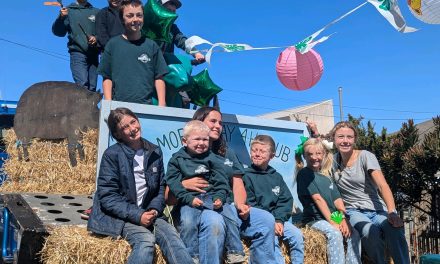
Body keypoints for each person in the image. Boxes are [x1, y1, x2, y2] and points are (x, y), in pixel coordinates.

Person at [168, 106, 278, 264]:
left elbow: (238, 183)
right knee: (214, 220)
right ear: (198, 123)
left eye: (220, 122)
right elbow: (168, 198)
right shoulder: (184, 156)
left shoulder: (227, 153)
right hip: (197, 208)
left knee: (266, 219)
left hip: (226, 206)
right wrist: (184, 184)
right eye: (213, 121)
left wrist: (241, 205)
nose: (218, 126)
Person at [87, 107, 192, 264]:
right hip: (119, 217)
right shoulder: (112, 155)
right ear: (117, 134)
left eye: (133, 122)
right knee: (146, 241)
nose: (132, 129)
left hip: (148, 213)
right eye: (125, 127)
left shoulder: (154, 151)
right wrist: (138, 215)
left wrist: (154, 209)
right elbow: (108, 197)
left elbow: (160, 187)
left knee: (173, 238)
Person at [165, 120, 245, 263]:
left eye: (205, 139)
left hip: (211, 196)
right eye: (197, 139)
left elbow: (221, 181)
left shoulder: (213, 158)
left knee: (230, 216)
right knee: (188, 221)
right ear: (185, 141)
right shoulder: (177, 159)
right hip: (189, 199)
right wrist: (188, 198)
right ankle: (192, 255)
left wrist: (219, 196)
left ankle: (235, 251)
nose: (201, 143)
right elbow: (173, 182)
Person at [330, 121, 410, 264]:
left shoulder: (365, 156)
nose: (345, 141)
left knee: (395, 229)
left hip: (378, 210)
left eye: (349, 137)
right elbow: (327, 194)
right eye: (341, 137)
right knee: (369, 231)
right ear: (334, 139)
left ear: (355, 139)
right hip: (353, 212)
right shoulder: (332, 162)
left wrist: (392, 212)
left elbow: (382, 185)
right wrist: (338, 219)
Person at [296, 138, 361, 264]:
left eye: (318, 153)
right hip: (315, 218)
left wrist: (342, 218)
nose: (314, 157)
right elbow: (318, 199)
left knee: (354, 234)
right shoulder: (304, 174)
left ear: (324, 154)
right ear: (304, 156)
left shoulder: (327, 176)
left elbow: (337, 200)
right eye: (309, 154)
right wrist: (333, 222)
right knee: (335, 233)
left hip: (332, 215)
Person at [243, 135, 304, 264]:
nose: (257, 154)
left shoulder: (276, 177)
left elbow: (285, 200)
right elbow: (250, 205)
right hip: (258, 223)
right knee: (272, 239)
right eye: (254, 150)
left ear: (272, 155)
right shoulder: (246, 176)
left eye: (262, 151)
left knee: (297, 234)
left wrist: (279, 220)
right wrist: (271, 221)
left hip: (277, 220)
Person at [98, 0, 168, 106]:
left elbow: (159, 78)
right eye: (130, 16)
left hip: (146, 107)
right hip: (119, 107)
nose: (135, 19)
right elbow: (107, 77)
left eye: (139, 15)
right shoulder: (113, 45)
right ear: (122, 19)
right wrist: (108, 103)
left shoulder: (152, 46)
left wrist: (162, 104)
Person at [158, 0, 206, 108]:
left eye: (173, 11)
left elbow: (182, 41)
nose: (171, 12)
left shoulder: (173, 28)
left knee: (185, 98)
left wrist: (196, 53)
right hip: (151, 67)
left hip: (168, 68)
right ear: (158, 8)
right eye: (168, 9)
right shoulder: (149, 24)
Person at [52, 0, 99, 91]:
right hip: (77, 53)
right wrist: (61, 18)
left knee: (92, 88)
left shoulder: (97, 12)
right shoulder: (68, 11)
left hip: (94, 55)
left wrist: (96, 38)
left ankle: (89, 105)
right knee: (82, 86)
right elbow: (58, 32)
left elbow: (103, 32)